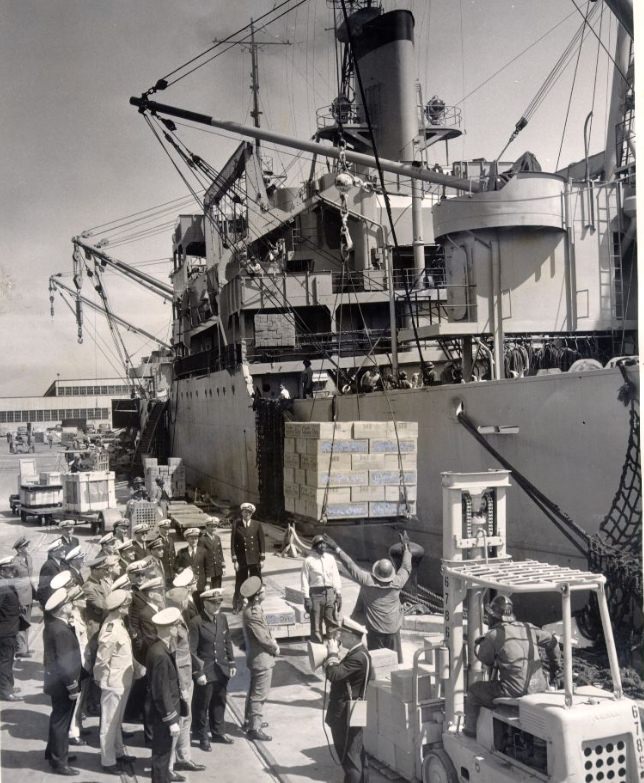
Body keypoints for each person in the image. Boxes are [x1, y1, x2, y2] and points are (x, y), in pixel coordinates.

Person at [463, 594, 562, 738]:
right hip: (539, 688)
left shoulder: (493, 635)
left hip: (514, 692)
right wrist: (556, 669)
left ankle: (470, 731)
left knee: (474, 691)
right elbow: (553, 642)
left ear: (494, 617)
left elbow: (487, 660)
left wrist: (481, 642)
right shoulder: (528, 628)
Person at [325, 532, 412, 662]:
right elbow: (406, 566)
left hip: (375, 632)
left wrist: (335, 547)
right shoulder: (398, 583)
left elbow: (350, 564)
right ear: (391, 574)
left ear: (375, 572)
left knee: (376, 664)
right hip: (393, 630)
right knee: (394, 663)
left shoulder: (367, 581)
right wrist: (406, 546)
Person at [323, 617, 373, 783]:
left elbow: (334, 675)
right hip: (353, 710)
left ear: (352, 636)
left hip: (344, 714)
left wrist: (331, 653)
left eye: (342, 634)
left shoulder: (357, 657)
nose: (340, 637)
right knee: (357, 754)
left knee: (349, 760)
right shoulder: (362, 653)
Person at [93, 590, 136, 774]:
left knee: (116, 721)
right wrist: (103, 680)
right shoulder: (111, 628)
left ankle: (118, 752)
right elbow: (102, 660)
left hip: (122, 680)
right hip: (114, 683)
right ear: (118, 608)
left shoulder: (119, 623)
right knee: (109, 723)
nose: (128, 607)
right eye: (125, 605)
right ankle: (108, 761)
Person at [164, 589, 206, 775]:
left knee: (186, 719)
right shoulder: (173, 625)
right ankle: (169, 765)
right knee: (179, 721)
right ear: (179, 603)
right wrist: (181, 687)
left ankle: (184, 757)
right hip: (181, 679)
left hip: (187, 675)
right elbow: (173, 657)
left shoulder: (180, 619)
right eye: (184, 600)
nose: (186, 602)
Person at [189, 588, 236, 751]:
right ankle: (201, 736)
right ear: (205, 603)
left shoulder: (222, 618)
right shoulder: (196, 622)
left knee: (220, 701)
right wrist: (198, 672)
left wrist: (232, 662)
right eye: (213, 603)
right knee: (202, 705)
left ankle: (218, 732)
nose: (217, 606)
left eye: (219, 602)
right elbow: (192, 650)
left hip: (221, 668)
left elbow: (227, 640)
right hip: (206, 670)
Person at [43, 588, 82, 776]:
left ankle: (56, 754)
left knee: (59, 720)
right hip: (63, 684)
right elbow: (65, 663)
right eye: (68, 604)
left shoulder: (55, 625)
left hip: (56, 683)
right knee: (61, 722)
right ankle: (60, 762)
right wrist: (72, 686)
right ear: (61, 608)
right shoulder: (61, 631)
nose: (71, 606)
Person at [146, 607, 184, 783]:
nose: (179, 629)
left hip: (163, 712)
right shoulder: (160, 654)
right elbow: (161, 691)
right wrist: (170, 719)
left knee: (162, 754)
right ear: (170, 628)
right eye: (177, 626)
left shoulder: (159, 648)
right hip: (164, 714)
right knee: (161, 755)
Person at [240, 577, 279, 741]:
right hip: (261, 659)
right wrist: (274, 647)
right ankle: (254, 728)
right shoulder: (253, 613)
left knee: (254, 691)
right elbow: (262, 638)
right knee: (259, 694)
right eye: (262, 591)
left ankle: (250, 721)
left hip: (257, 658)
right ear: (256, 596)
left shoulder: (254, 608)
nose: (265, 593)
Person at [301, 535, 341, 643]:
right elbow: (304, 579)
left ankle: (332, 648)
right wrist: (306, 597)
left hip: (329, 593)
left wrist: (338, 593)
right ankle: (317, 650)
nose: (323, 545)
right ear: (315, 546)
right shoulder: (308, 561)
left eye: (324, 543)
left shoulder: (330, 559)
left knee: (331, 622)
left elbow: (336, 576)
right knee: (316, 624)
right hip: (315, 595)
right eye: (320, 544)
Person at [231, 503, 265, 612]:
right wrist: (235, 560)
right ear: (242, 513)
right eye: (245, 512)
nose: (247, 514)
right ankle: (238, 605)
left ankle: (255, 603)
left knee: (256, 581)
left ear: (252, 514)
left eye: (249, 513)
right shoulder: (237, 524)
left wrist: (262, 559)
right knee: (240, 582)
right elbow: (232, 543)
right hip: (242, 560)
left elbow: (261, 542)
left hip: (254, 559)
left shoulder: (257, 525)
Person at [0, 557, 22, 700]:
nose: (13, 572)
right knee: (5, 661)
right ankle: (5, 691)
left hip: (10, 629)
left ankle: (9, 685)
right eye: (10, 569)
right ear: (2, 570)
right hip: (5, 631)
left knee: (8, 659)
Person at [12, 536, 34, 659]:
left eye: (27, 545)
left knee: (27, 623)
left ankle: (25, 647)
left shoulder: (29, 558)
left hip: (29, 594)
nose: (27, 547)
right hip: (21, 596)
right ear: (19, 549)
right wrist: (17, 600)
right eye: (25, 546)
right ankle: (20, 649)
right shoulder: (14, 562)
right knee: (21, 623)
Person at [175, 529, 210, 593]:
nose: (194, 540)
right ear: (187, 539)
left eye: (196, 538)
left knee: (201, 602)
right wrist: (183, 570)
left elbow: (208, 568)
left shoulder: (203, 551)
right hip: (187, 584)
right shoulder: (181, 552)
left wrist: (208, 583)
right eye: (191, 538)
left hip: (201, 584)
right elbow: (176, 566)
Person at [37, 539, 67, 610]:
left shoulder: (60, 563)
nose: (64, 551)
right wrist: (47, 606)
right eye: (61, 550)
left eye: (64, 549)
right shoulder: (48, 566)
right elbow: (42, 589)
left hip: (59, 603)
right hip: (52, 605)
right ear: (53, 553)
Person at [199, 517, 225, 589]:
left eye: (215, 526)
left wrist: (223, 567)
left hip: (218, 568)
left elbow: (220, 553)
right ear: (206, 526)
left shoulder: (217, 538)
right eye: (211, 526)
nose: (213, 528)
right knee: (209, 590)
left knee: (218, 589)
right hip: (208, 570)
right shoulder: (202, 539)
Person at [157, 519, 176, 586]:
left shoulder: (171, 539)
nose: (166, 530)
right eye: (164, 528)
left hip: (172, 572)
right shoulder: (157, 541)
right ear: (160, 529)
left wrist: (175, 570)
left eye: (168, 528)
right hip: (164, 572)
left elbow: (173, 556)